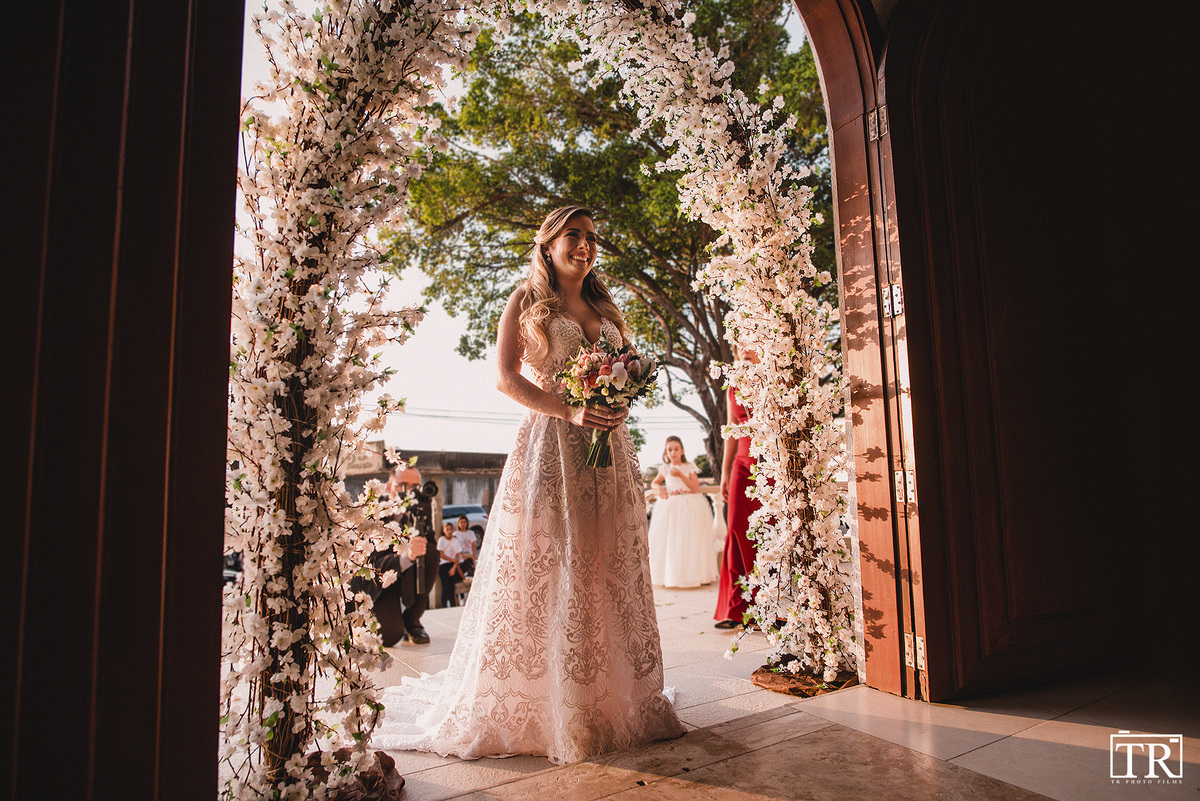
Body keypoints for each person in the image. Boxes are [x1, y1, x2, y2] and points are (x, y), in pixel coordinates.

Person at [373, 206, 685, 764]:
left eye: (592, 237)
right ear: (548, 243)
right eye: (574, 235)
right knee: (553, 562)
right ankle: (551, 702)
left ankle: (608, 697)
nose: (585, 246)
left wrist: (613, 397)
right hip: (552, 447)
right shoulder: (526, 300)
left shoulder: (605, 305)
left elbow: (621, 370)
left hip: (609, 449)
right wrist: (571, 412)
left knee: (603, 563)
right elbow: (506, 378)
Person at [355, 464, 437, 645]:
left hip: (404, 576)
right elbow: (368, 564)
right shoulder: (372, 511)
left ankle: (412, 620)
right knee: (389, 635)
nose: (409, 492)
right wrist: (406, 557)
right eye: (402, 485)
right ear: (389, 487)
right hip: (376, 584)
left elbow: (429, 547)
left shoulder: (421, 504)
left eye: (415, 487)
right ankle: (369, 617)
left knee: (430, 552)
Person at [714, 349, 762, 630]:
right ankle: (736, 608)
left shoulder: (774, 373)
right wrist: (724, 471)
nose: (742, 347)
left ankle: (767, 607)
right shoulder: (732, 380)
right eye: (737, 342)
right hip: (742, 463)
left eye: (748, 339)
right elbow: (731, 427)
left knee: (765, 534)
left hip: (770, 462)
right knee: (735, 529)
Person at [647, 436, 717, 588]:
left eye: (676, 449)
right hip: (671, 506)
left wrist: (680, 475)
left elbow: (695, 487)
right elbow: (655, 482)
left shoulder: (689, 466)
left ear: (682, 451)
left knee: (691, 540)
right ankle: (673, 576)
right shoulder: (664, 469)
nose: (673, 452)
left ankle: (695, 575)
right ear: (666, 452)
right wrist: (659, 488)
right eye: (670, 450)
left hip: (690, 504)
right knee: (673, 541)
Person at [436, 522, 464, 608]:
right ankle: (444, 607)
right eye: (447, 529)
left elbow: (457, 556)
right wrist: (451, 560)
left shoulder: (455, 541)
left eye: (450, 529)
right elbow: (441, 554)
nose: (449, 531)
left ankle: (453, 606)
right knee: (445, 587)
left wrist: (454, 567)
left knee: (451, 588)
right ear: (444, 531)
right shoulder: (441, 540)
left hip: (453, 565)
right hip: (443, 564)